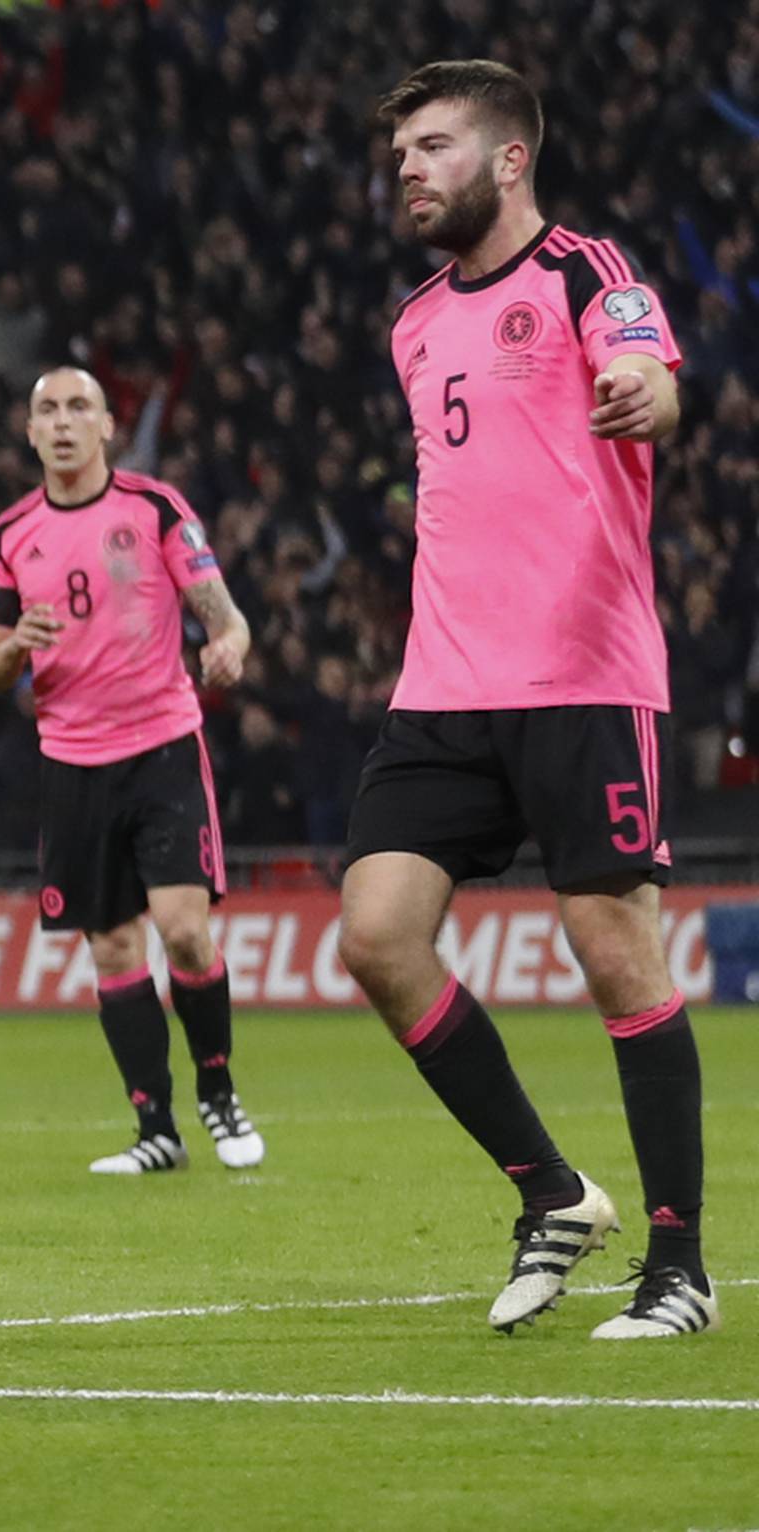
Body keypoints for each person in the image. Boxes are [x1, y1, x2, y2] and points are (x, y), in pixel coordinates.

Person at [341, 61, 709, 1339]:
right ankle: (551, 1190)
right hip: (444, 680)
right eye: (400, 154)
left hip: (585, 671)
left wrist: (642, 396)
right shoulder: (412, 322)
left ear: (507, 159)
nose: (407, 170)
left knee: (615, 949)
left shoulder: (586, 272)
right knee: (377, 934)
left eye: (432, 146)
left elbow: (654, 378)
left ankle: (680, 1264)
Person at [0, 367, 262, 1176]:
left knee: (184, 931)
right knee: (111, 949)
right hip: (72, 761)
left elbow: (220, 611)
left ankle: (218, 1089)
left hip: (162, 744)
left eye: (78, 409)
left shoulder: (155, 508)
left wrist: (229, 642)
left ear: (105, 427)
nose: (62, 423)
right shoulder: (9, 535)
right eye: (46, 411)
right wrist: (12, 651)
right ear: (30, 434)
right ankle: (156, 1130)